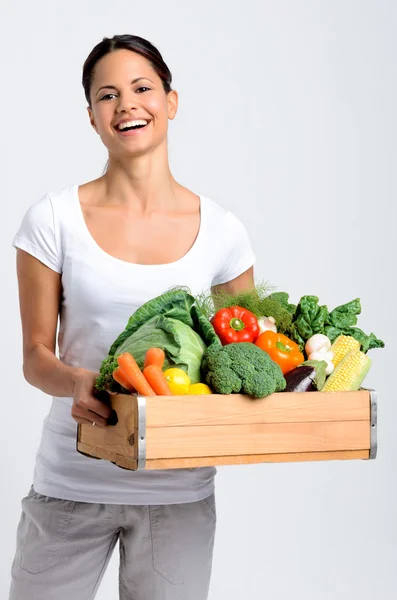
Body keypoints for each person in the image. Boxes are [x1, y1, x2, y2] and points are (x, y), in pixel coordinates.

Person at [9, 34, 256, 600]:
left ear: (171, 101)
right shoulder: (53, 220)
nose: (127, 105)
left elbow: (241, 357)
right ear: (92, 118)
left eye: (142, 88)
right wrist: (75, 381)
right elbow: (33, 357)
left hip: (179, 495)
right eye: (107, 95)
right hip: (71, 482)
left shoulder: (223, 232)